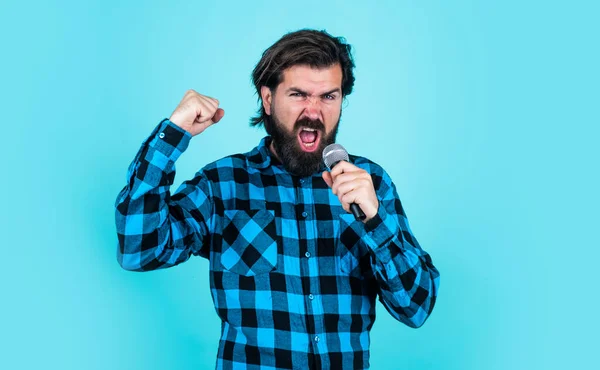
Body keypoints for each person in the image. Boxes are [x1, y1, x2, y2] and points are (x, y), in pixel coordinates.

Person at [115, 29, 440, 370]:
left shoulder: (371, 184)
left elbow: (415, 308)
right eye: (299, 94)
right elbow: (138, 249)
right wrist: (172, 134)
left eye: (329, 97)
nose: (313, 112)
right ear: (268, 99)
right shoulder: (222, 185)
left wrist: (375, 222)